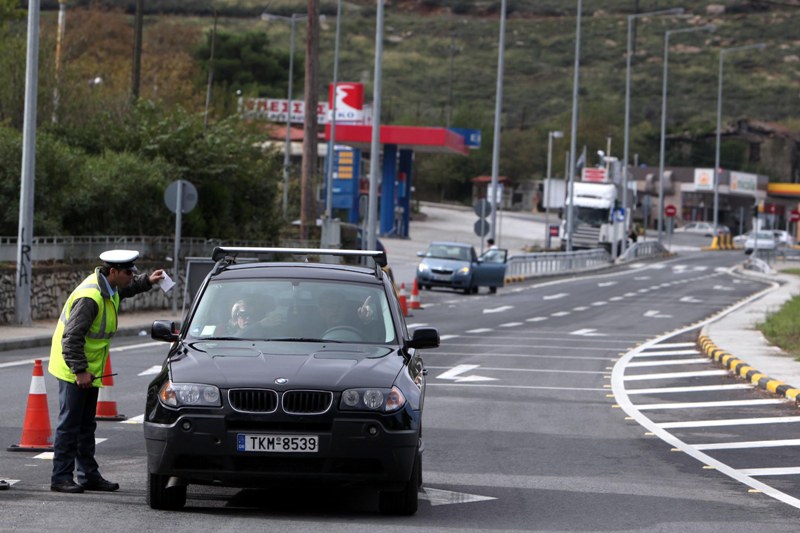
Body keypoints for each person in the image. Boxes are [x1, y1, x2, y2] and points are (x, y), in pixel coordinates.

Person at [48, 250, 165, 494]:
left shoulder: (109, 289)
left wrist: (148, 281)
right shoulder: (91, 297)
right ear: (113, 272)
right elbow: (71, 338)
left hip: (89, 369)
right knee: (70, 425)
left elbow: (127, 289)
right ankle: (60, 477)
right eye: (128, 272)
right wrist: (80, 371)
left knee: (86, 426)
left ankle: (88, 476)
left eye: (133, 272)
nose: (132, 275)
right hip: (73, 369)